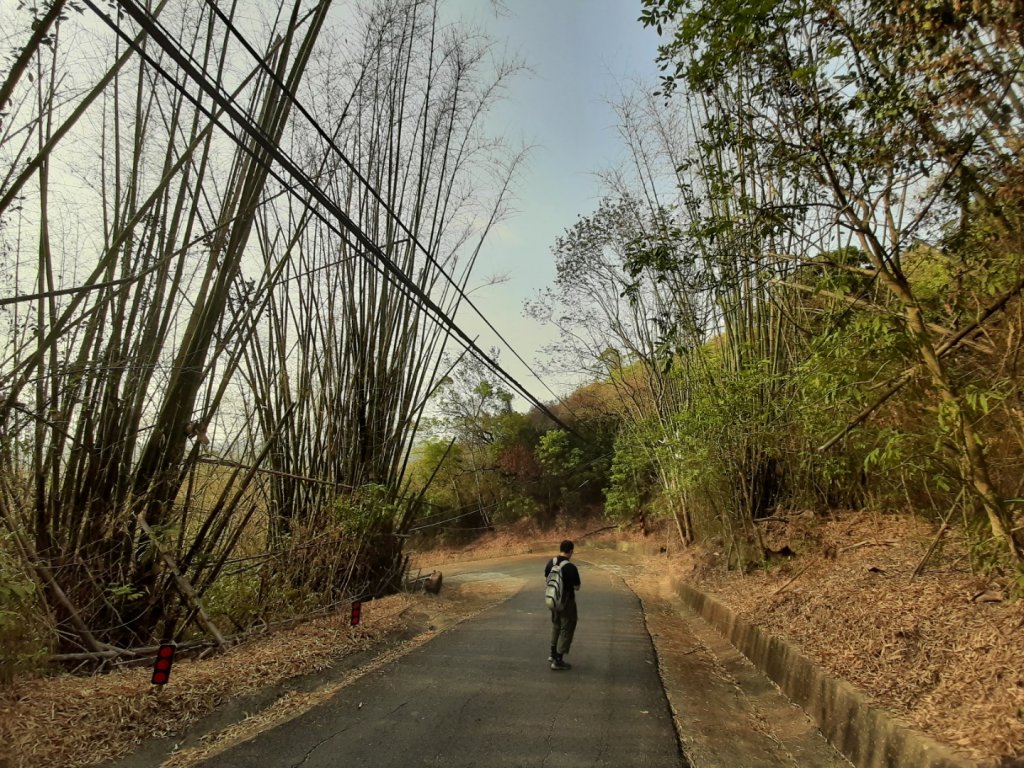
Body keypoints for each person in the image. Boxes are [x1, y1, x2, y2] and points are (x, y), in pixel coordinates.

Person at [544, 539, 581, 671]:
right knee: (567, 627)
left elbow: (547, 579)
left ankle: (552, 654)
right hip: (566, 603)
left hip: (553, 600)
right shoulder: (570, 567)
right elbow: (577, 587)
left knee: (556, 625)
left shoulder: (551, 562)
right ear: (571, 551)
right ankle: (558, 660)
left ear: (560, 549)